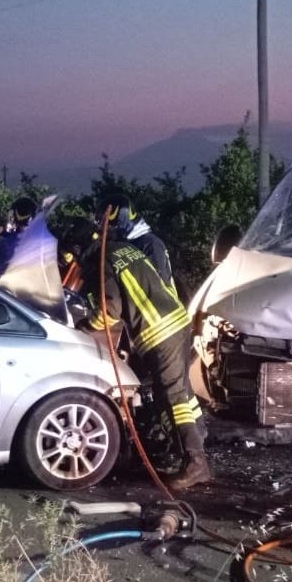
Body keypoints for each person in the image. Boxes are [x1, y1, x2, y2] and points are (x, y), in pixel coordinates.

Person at [62, 216, 211, 491]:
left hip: (158, 331)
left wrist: (83, 327)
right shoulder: (123, 248)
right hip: (177, 321)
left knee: (173, 397)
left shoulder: (100, 264)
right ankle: (194, 442)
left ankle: (195, 462)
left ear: (80, 249)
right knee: (183, 393)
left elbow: (109, 311)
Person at [94, 194, 176, 294]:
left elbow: (158, 286)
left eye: (109, 225)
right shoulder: (124, 245)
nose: (106, 229)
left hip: (159, 306)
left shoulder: (150, 244)